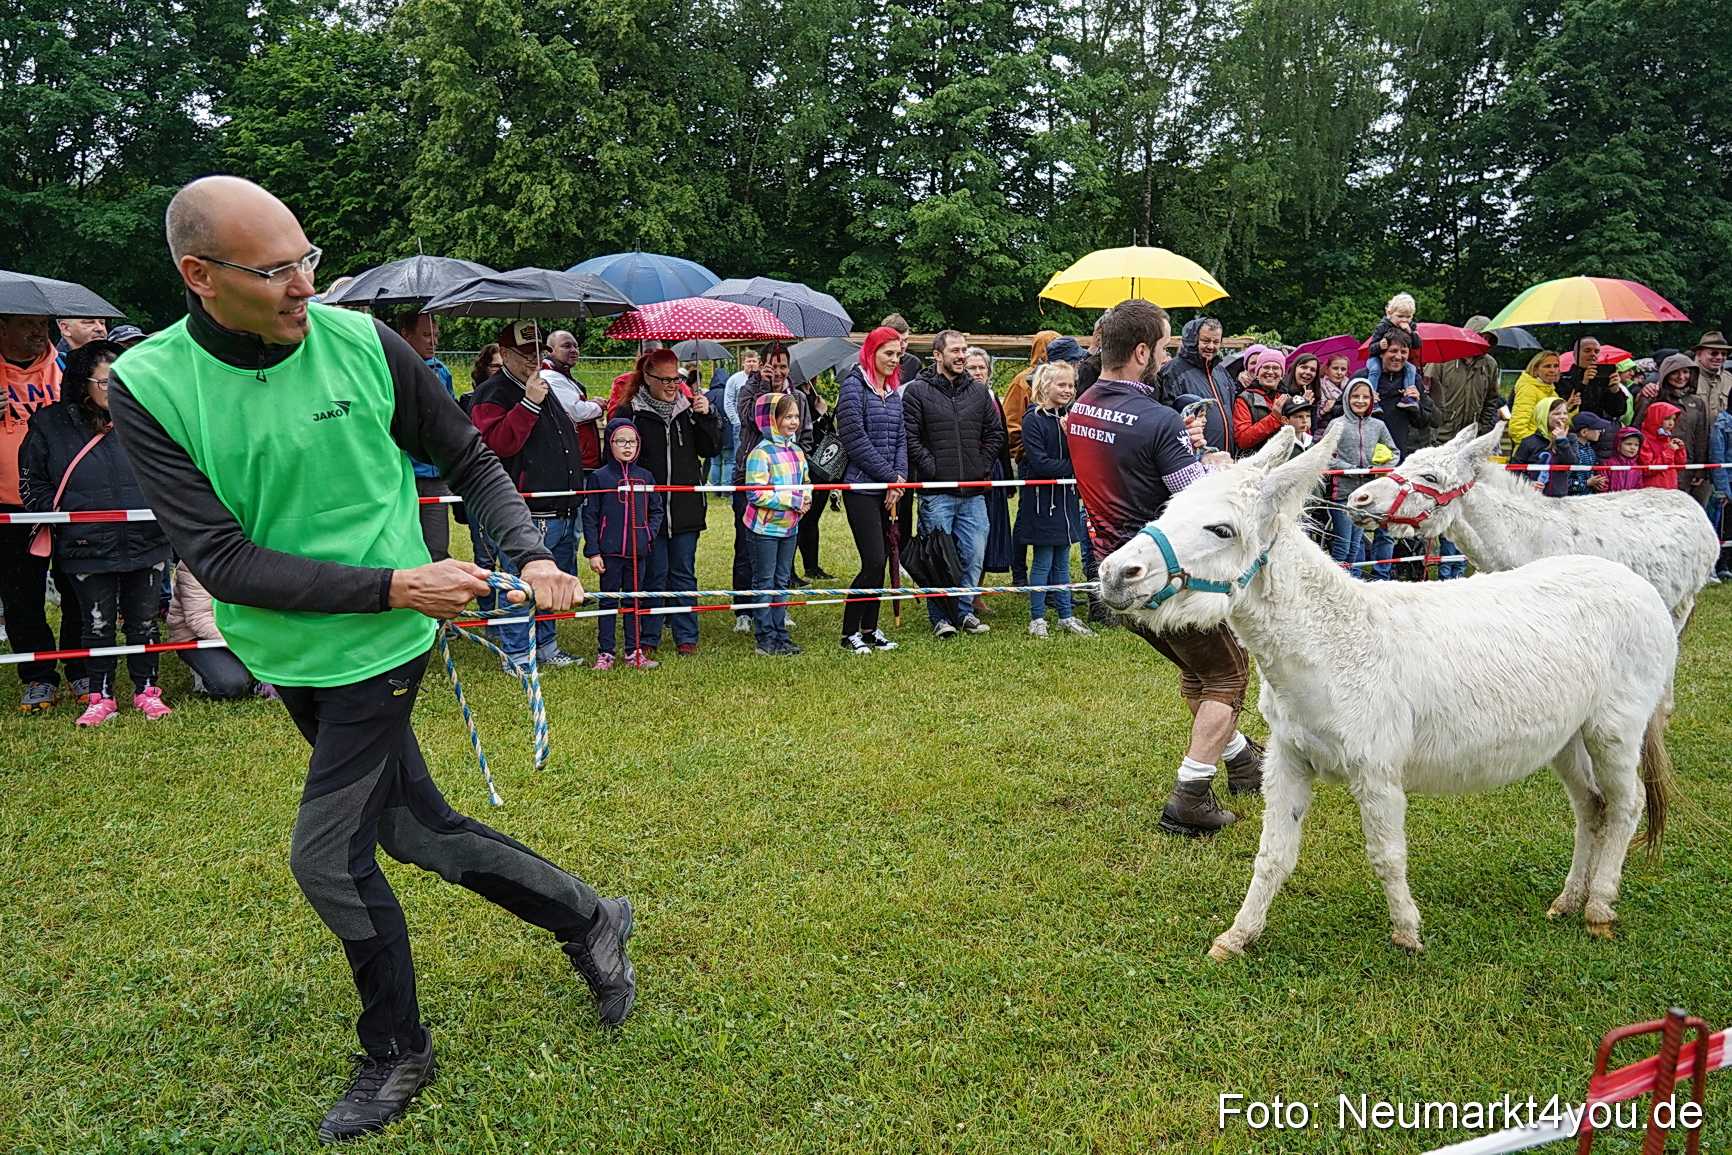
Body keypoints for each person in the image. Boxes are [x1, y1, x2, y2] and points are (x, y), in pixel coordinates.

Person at [106, 176, 632, 1143]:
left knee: (327, 860)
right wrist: (400, 581)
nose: (306, 284)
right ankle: (591, 917)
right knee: (416, 830)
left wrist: (534, 552)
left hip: (383, 650)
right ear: (200, 275)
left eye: (307, 259)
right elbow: (221, 559)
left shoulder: (364, 342)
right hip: (292, 645)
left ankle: (398, 1048)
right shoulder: (148, 382)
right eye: (278, 271)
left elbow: (471, 461)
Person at [1066, 299, 1263, 836]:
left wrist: (1183, 447)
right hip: (1167, 579)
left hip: (1112, 572)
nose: (1166, 355)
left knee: (1200, 670)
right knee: (1227, 675)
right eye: (1165, 345)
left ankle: (1245, 763)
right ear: (1140, 351)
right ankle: (1190, 798)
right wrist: (1214, 463)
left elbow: (1135, 465)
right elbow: (1196, 503)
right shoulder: (1158, 420)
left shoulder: (1081, 407)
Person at [20, 340, 173, 725]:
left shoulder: (147, 417)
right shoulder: (50, 424)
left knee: (143, 622)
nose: (115, 389)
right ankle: (100, 695)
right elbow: (32, 483)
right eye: (106, 382)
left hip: (147, 540)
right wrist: (59, 516)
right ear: (81, 381)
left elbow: (173, 470)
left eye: (122, 380)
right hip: (86, 545)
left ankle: (147, 691)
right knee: (97, 624)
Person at [468, 320, 590, 670]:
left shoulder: (542, 385)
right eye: (525, 354)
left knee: (553, 581)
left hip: (562, 505)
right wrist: (529, 403)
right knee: (520, 584)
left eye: (540, 351)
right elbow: (496, 444)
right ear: (504, 354)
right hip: (526, 510)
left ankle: (547, 645)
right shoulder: (493, 393)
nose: (534, 360)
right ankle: (518, 654)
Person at [607, 349, 722, 657]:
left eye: (676, 379)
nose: (673, 385)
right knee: (653, 574)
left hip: (686, 507)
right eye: (666, 379)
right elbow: (615, 461)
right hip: (646, 510)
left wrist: (706, 416)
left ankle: (687, 637)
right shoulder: (628, 413)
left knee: (683, 572)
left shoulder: (690, 409)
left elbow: (711, 449)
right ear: (647, 377)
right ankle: (648, 637)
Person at [0, 311, 88, 712]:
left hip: (66, 501)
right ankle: (38, 678)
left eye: (44, 325)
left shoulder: (68, 367)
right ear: (2, 328)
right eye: (28, 325)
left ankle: (81, 670)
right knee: (21, 597)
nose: (40, 332)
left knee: (78, 588)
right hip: (8, 507)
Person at [903, 330, 1005, 638]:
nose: (961, 355)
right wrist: (934, 470)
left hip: (973, 493)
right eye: (955, 350)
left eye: (964, 350)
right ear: (937, 355)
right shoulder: (917, 392)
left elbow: (995, 434)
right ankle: (940, 617)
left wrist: (980, 466)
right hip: (936, 493)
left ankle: (963, 611)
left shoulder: (978, 392)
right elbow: (911, 438)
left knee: (972, 555)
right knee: (938, 557)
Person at [834, 326, 907, 654]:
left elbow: (903, 437)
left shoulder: (893, 391)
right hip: (862, 487)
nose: (895, 359)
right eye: (888, 353)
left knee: (887, 558)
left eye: (898, 354)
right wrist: (889, 477)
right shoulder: (853, 387)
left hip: (889, 488)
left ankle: (871, 628)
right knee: (874, 561)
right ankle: (849, 633)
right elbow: (855, 440)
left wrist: (899, 478)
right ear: (872, 352)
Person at [1014, 361, 1092, 638]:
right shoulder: (1033, 420)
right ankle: (1037, 618)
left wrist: (1072, 436)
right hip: (1042, 502)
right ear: (1044, 386)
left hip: (1067, 501)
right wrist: (1075, 468)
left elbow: (1085, 455)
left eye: (1071, 385)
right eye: (1061, 384)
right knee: (1043, 560)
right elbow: (1042, 464)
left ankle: (1065, 615)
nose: (1068, 390)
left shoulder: (1071, 419)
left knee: (1062, 560)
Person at [729, 343, 800, 631]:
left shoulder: (796, 395)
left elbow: (802, 434)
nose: (779, 372)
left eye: (783, 366)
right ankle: (745, 610)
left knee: (781, 551)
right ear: (762, 365)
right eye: (774, 366)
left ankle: (777, 608)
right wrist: (762, 385)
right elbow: (750, 418)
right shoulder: (750, 388)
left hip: (788, 481)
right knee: (747, 548)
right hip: (752, 475)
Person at [582, 418, 663, 670]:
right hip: (609, 553)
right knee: (608, 602)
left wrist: (647, 535)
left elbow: (656, 510)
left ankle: (634, 651)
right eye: (620, 441)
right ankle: (606, 652)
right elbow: (590, 516)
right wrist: (593, 551)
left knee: (633, 602)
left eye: (632, 441)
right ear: (610, 443)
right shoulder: (599, 477)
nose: (627, 446)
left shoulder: (645, 476)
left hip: (638, 553)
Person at [743, 392, 808, 656]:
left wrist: (806, 499)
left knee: (782, 581)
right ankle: (765, 637)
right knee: (765, 581)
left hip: (789, 528)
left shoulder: (797, 451)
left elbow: (806, 482)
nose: (794, 422)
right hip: (764, 530)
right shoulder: (761, 453)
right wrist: (793, 500)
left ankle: (781, 633)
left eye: (796, 416)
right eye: (787, 416)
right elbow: (756, 493)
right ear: (771, 419)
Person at [391, 309, 457, 562]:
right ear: (406, 336)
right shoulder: (387, 369)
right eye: (427, 335)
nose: (434, 342)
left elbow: (451, 420)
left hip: (435, 474)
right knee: (400, 544)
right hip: (401, 473)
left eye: (437, 335)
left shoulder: (441, 371)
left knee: (437, 548)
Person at [1325, 378, 1399, 575]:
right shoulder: (1336, 424)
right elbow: (1325, 454)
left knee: (1355, 546)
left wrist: (1378, 468)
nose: (1360, 401)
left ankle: (1354, 585)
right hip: (1341, 493)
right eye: (1355, 396)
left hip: (1366, 495)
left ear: (1372, 400)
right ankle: (1334, 586)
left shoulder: (1378, 426)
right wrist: (1351, 468)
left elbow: (1395, 452)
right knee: (1343, 544)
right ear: (1347, 398)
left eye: (1365, 397)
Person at [167, 560, 264, 699]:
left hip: (243, 630)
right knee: (230, 686)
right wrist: (243, 643)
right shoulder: (194, 561)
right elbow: (199, 620)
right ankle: (204, 675)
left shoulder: (257, 557)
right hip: (197, 635)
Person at [1636, 352, 1709, 506]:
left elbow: (1701, 436)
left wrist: (1699, 469)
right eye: (1675, 372)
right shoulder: (1652, 397)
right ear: (1665, 374)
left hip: (1685, 466)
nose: (1681, 376)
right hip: (1655, 467)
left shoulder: (1697, 402)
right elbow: (1636, 432)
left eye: (1685, 372)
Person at [1156, 316, 1237, 453]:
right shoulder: (1171, 372)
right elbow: (1165, 419)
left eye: (1216, 342)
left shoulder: (1221, 372)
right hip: (1192, 459)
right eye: (1205, 340)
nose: (1211, 346)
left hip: (1225, 459)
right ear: (1192, 340)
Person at [1426, 316, 1505, 442]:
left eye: (1487, 339)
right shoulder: (1443, 359)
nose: (1483, 341)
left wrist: (1482, 430)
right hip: (1439, 436)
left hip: (1470, 439)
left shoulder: (1490, 365)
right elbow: (1426, 392)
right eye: (1480, 336)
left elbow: (1491, 400)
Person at [544, 330, 604, 471]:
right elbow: (576, 412)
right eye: (566, 346)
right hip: (576, 460)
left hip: (580, 457)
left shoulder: (561, 374)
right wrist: (598, 405)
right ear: (550, 350)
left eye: (576, 346)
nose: (573, 350)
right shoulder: (550, 376)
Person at [1370, 331, 1435, 455]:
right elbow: (1338, 411)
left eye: (1404, 352)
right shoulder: (1363, 377)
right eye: (1393, 351)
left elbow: (1424, 422)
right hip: (1368, 455)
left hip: (1400, 454)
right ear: (1382, 353)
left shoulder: (1414, 380)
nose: (1398, 356)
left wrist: (1417, 404)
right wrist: (1361, 402)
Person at [1003, 330, 1059, 463]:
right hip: (1031, 460)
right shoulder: (1022, 381)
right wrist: (1025, 453)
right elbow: (1010, 424)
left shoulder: (1062, 380)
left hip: (1055, 457)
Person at [1231, 349, 1299, 455]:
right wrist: (1273, 418)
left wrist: (1304, 412)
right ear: (1257, 373)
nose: (1270, 372)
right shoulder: (1244, 400)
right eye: (1266, 367)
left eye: (1276, 368)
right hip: (1255, 464)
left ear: (1282, 374)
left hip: (1286, 464)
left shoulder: (1289, 399)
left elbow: (1301, 435)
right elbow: (1242, 440)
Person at [1364, 292, 1424, 401]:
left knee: (1411, 368)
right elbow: (1371, 349)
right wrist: (1380, 345)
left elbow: (1417, 345)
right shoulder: (1382, 326)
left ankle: (1409, 397)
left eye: (1408, 317)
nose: (1404, 320)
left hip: (1398, 362)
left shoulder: (1411, 326)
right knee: (1376, 370)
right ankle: (1371, 396)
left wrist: (1410, 332)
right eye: (1400, 316)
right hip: (1376, 358)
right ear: (1390, 313)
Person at [1511, 398, 1575, 496]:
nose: (1562, 417)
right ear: (1544, 416)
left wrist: (1562, 441)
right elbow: (1514, 470)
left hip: (1559, 499)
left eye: (1565, 413)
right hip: (1532, 498)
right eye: (1557, 414)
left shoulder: (1570, 439)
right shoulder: (1529, 442)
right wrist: (1528, 483)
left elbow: (1572, 462)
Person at [1508, 350, 1565, 447]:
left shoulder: (1551, 392)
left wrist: (1572, 407)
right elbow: (1517, 428)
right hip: (1531, 456)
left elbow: (1562, 424)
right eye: (1547, 366)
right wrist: (1535, 448)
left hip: (1547, 450)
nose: (1552, 370)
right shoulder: (1528, 389)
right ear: (1535, 370)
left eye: (1556, 366)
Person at [1636, 402, 1687, 490]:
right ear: (1655, 418)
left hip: (1670, 488)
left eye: (1673, 419)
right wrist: (1669, 451)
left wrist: (1679, 450)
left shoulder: (1667, 440)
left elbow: (1678, 466)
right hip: (1653, 491)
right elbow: (1648, 470)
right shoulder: (1644, 441)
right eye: (1667, 419)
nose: (1671, 423)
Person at [881, 313, 924, 387]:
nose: (903, 345)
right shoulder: (870, 362)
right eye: (899, 341)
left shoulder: (913, 363)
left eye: (906, 340)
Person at [1606, 426, 1647, 493]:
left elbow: (1639, 489)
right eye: (1628, 444)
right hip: (1610, 501)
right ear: (1618, 444)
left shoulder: (1637, 468)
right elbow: (1602, 488)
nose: (1633, 448)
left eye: (1636, 445)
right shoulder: (1607, 465)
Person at [1316, 352, 1351, 420]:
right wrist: (1323, 411)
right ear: (1327, 369)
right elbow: (1310, 417)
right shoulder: (1317, 386)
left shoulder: (1351, 388)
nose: (1339, 373)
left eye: (1343, 369)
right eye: (1335, 368)